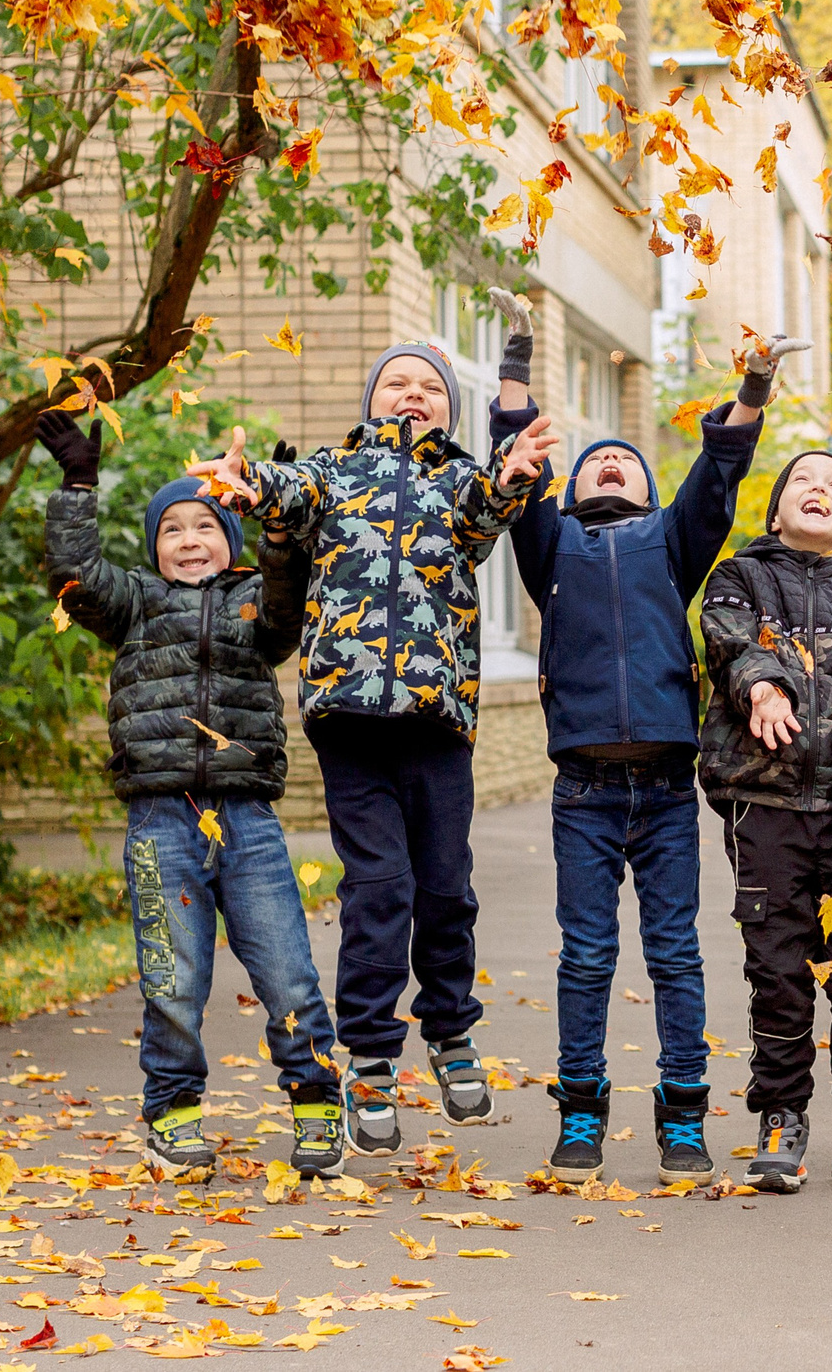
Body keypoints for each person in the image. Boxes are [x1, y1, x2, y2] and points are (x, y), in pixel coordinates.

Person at [189, 339, 558, 1158]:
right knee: (379, 889)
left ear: (446, 410)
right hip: (350, 720)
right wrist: (251, 486)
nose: (413, 394)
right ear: (370, 399)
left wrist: (511, 473)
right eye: (397, 381)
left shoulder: (459, 477)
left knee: (445, 886)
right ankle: (371, 1059)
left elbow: (489, 505)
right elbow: (285, 496)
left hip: (436, 722)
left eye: (430, 386)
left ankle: (452, 1029)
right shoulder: (334, 469)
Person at [502, 320, 808, 1186]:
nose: (609, 462)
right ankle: (582, 1112)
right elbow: (516, 463)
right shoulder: (550, 543)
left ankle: (683, 1114)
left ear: (645, 488)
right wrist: (516, 370)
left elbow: (718, 475)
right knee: (587, 953)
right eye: (593, 458)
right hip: (584, 792)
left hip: (667, 789)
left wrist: (751, 385)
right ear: (568, 488)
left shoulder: (670, 543)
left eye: (625, 459)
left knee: (675, 949)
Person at [38, 411, 343, 1180]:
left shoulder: (254, 606)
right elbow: (73, 578)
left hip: (247, 819)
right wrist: (78, 485)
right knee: (172, 977)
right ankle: (172, 1113)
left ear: (227, 539)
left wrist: (275, 525)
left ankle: (314, 1100)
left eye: (204, 524)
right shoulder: (133, 603)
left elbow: (288, 602)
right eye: (171, 528)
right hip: (160, 819)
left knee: (287, 970)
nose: (188, 539)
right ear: (155, 548)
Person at [697, 451, 832, 1195]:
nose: (818, 490)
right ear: (775, 509)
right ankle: (781, 1113)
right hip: (764, 803)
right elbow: (731, 640)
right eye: (803, 481)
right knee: (779, 969)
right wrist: (762, 686)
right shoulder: (739, 576)